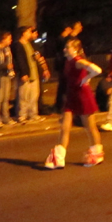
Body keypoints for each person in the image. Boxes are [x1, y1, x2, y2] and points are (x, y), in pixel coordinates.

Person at [44, 39, 104, 169]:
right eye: (65, 47)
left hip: (83, 95)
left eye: (68, 47)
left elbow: (97, 70)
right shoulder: (68, 62)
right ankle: (59, 157)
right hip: (71, 95)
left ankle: (97, 153)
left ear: (76, 49)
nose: (65, 49)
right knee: (65, 127)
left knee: (90, 126)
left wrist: (86, 79)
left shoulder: (78, 61)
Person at [12, 26, 43, 123]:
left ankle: (33, 114)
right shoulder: (18, 45)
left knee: (34, 95)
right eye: (28, 31)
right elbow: (19, 60)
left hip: (34, 72)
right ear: (23, 33)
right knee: (23, 96)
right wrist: (23, 73)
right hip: (26, 74)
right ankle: (22, 115)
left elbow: (33, 55)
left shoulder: (30, 44)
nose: (30, 33)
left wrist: (36, 57)